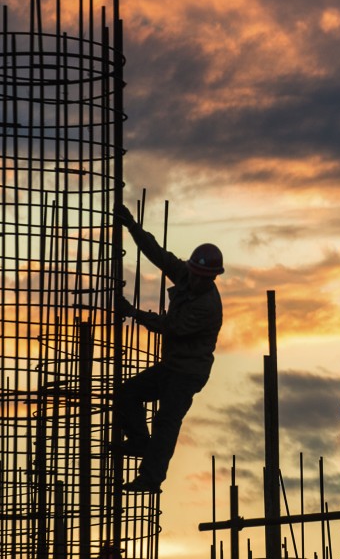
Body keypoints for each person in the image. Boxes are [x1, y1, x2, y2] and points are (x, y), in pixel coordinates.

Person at [113, 203, 224, 494]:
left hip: (189, 373)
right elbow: (159, 256)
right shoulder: (187, 275)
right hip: (172, 366)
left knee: (166, 420)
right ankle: (138, 441)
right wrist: (133, 228)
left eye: (203, 277)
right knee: (127, 393)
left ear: (212, 277)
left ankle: (150, 479)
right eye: (195, 273)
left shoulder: (207, 306)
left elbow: (171, 326)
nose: (197, 280)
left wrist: (134, 313)